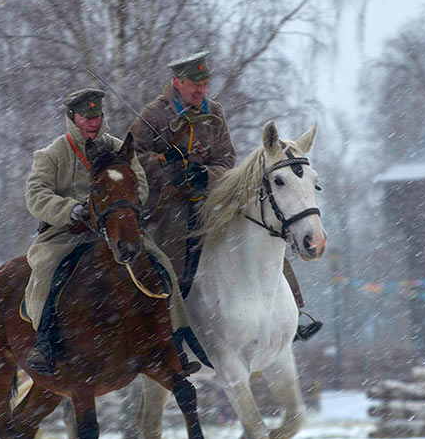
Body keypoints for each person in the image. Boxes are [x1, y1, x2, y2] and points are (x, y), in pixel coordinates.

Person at [128, 51, 321, 341]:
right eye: (195, 84)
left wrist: (204, 175)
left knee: (265, 231)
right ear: (177, 82)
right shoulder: (154, 115)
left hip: (209, 197)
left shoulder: (214, 113)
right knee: (171, 256)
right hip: (168, 204)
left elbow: (226, 159)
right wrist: (165, 166)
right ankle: (167, 327)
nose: (201, 89)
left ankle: (295, 311)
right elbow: (132, 158)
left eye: (204, 83)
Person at [23, 88, 199, 376]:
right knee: (46, 271)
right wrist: (69, 209)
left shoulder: (120, 149)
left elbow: (139, 186)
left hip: (115, 229)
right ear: (72, 118)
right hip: (66, 233)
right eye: (85, 117)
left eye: (97, 116)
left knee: (162, 264)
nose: (92, 122)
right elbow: (36, 195)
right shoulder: (52, 155)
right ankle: (44, 343)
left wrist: (120, 209)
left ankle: (177, 340)